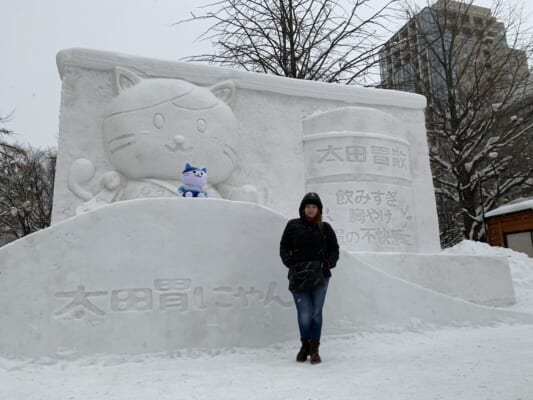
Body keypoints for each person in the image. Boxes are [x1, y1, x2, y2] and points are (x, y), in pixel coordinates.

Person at [279, 192, 339, 364]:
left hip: (321, 276)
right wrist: (291, 263)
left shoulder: (325, 228)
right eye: (308, 206)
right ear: (302, 208)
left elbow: (335, 250)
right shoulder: (293, 225)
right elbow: (283, 247)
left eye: (314, 207)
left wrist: (328, 264)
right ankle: (304, 344)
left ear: (319, 209)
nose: (311, 210)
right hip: (299, 276)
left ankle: (314, 349)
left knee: (316, 313)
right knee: (304, 313)